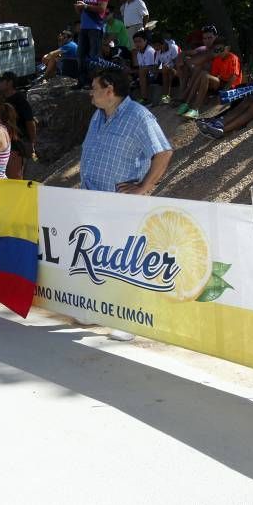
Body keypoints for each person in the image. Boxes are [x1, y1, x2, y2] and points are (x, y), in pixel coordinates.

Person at [80, 69, 173, 341]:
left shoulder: (139, 116)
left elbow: (164, 152)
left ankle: (128, 321)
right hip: (92, 199)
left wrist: (144, 187)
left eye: (95, 87)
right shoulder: (98, 115)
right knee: (94, 258)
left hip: (121, 205)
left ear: (110, 90)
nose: (90, 91)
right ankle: (96, 309)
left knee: (124, 263)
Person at [178, 38, 242, 119]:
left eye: (221, 49)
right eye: (216, 50)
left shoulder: (233, 58)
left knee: (204, 74)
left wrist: (223, 91)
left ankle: (195, 109)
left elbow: (234, 77)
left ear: (228, 48)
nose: (219, 52)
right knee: (203, 73)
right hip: (220, 83)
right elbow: (214, 75)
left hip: (231, 86)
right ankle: (187, 103)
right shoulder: (217, 59)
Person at [0, 72, 37, 179]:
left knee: (15, 179)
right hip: (3, 145)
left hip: (16, 146)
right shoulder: (1, 99)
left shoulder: (20, 101)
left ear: (10, 83)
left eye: (1, 81)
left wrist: (32, 142)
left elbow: (30, 122)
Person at [74, 0, 110, 89]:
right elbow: (83, 11)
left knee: (94, 56)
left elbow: (102, 9)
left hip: (96, 27)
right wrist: (79, 8)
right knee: (80, 55)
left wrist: (85, 6)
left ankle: (95, 83)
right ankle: (82, 81)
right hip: (84, 27)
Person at [175, 24, 218, 100]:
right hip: (201, 77)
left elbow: (198, 61)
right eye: (205, 38)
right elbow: (184, 53)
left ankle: (185, 95)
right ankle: (183, 93)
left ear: (216, 37)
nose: (207, 41)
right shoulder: (202, 48)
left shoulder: (218, 49)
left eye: (210, 38)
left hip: (215, 81)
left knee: (199, 66)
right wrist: (180, 60)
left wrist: (187, 61)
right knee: (185, 66)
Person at [150, 33, 180, 105]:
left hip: (178, 71)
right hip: (167, 72)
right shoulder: (157, 52)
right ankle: (165, 97)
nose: (154, 48)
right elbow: (155, 68)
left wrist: (166, 68)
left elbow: (178, 65)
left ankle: (166, 97)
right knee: (165, 69)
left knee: (165, 69)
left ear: (162, 43)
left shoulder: (173, 48)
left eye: (156, 46)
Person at [132, 31, 157, 105]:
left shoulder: (149, 51)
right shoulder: (139, 52)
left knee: (142, 72)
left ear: (145, 41)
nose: (137, 44)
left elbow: (150, 69)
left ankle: (145, 98)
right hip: (146, 75)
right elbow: (141, 67)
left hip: (154, 75)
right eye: (135, 42)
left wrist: (132, 71)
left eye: (139, 41)